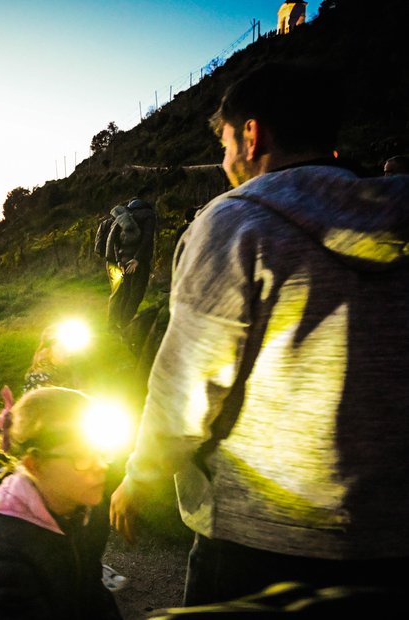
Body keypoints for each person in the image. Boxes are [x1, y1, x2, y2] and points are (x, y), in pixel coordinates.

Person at [109, 63, 409, 605]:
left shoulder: (235, 225)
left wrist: (140, 476)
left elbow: (186, 387)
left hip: (260, 537)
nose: (225, 161)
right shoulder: (397, 213)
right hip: (391, 537)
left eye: (225, 143)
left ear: (253, 135)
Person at [0, 387, 123, 619]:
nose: (101, 466)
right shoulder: (6, 553)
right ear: (34, 465)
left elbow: (90, 585)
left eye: (102, 452)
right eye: (81, 456)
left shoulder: (84, 509)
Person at [104, 198, 156, 330]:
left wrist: (119, 261)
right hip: (138, 262)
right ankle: (125, 325)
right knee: (136, 294)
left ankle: (120, 323)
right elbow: (147, 238)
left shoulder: (123, 217)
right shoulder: (148, 216)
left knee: (126, 293)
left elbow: (115, 242)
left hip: (125, 261)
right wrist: (137, 259)